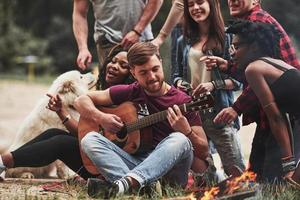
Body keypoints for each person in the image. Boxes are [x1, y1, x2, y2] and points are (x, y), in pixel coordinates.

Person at [74, 42, 209, 198]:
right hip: (137, 165)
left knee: (180, 139)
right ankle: (138, 188)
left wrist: (187, 131)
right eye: (143, 72)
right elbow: (80, 100)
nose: (151, 77)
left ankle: (126, 184)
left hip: (169, 175)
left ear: (161, 63)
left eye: (155, 69)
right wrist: (101, 118)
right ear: (133, 73)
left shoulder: (183, 100)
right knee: (89, 139)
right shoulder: (132, 91)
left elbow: (204, 152)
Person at [0, 47, 134, 181]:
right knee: (53, 133)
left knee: (61, 142)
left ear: (132, 73)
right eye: (113, 61)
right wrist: (61, 111)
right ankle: (4, 164)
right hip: (93, 154)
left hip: (106, 164)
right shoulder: (106, 94)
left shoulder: (129, 103)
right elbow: (83, 132)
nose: (114, 66)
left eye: (123, 65)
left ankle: (3, 162)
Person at [202, 20, 300, 182]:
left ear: (253, 47)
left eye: (237, 47)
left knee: (292, 183)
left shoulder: (253, 69)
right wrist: (289, 164)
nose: (232, 53)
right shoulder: (272, 63)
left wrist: (288, 165)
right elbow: (282, 118)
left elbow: (275, 118)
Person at [173, 0, 245, 177]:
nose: (195, 8)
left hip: (219, 113)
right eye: (190, 5)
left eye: (200, 2)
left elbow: (239, 80)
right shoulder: (183, 40)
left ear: (212, 5)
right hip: (193, 114)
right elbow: (174, 75)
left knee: (235, 171)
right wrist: (180, 84)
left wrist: (212, 85)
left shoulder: (228, 37)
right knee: (205, 175)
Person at [73, 0, 163, 71]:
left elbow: (156, 1)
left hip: (141, 41)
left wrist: (137, 31)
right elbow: (79, 13)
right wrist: (83, 48)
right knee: (111, 91)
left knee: (149, 88)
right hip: (108, 43)